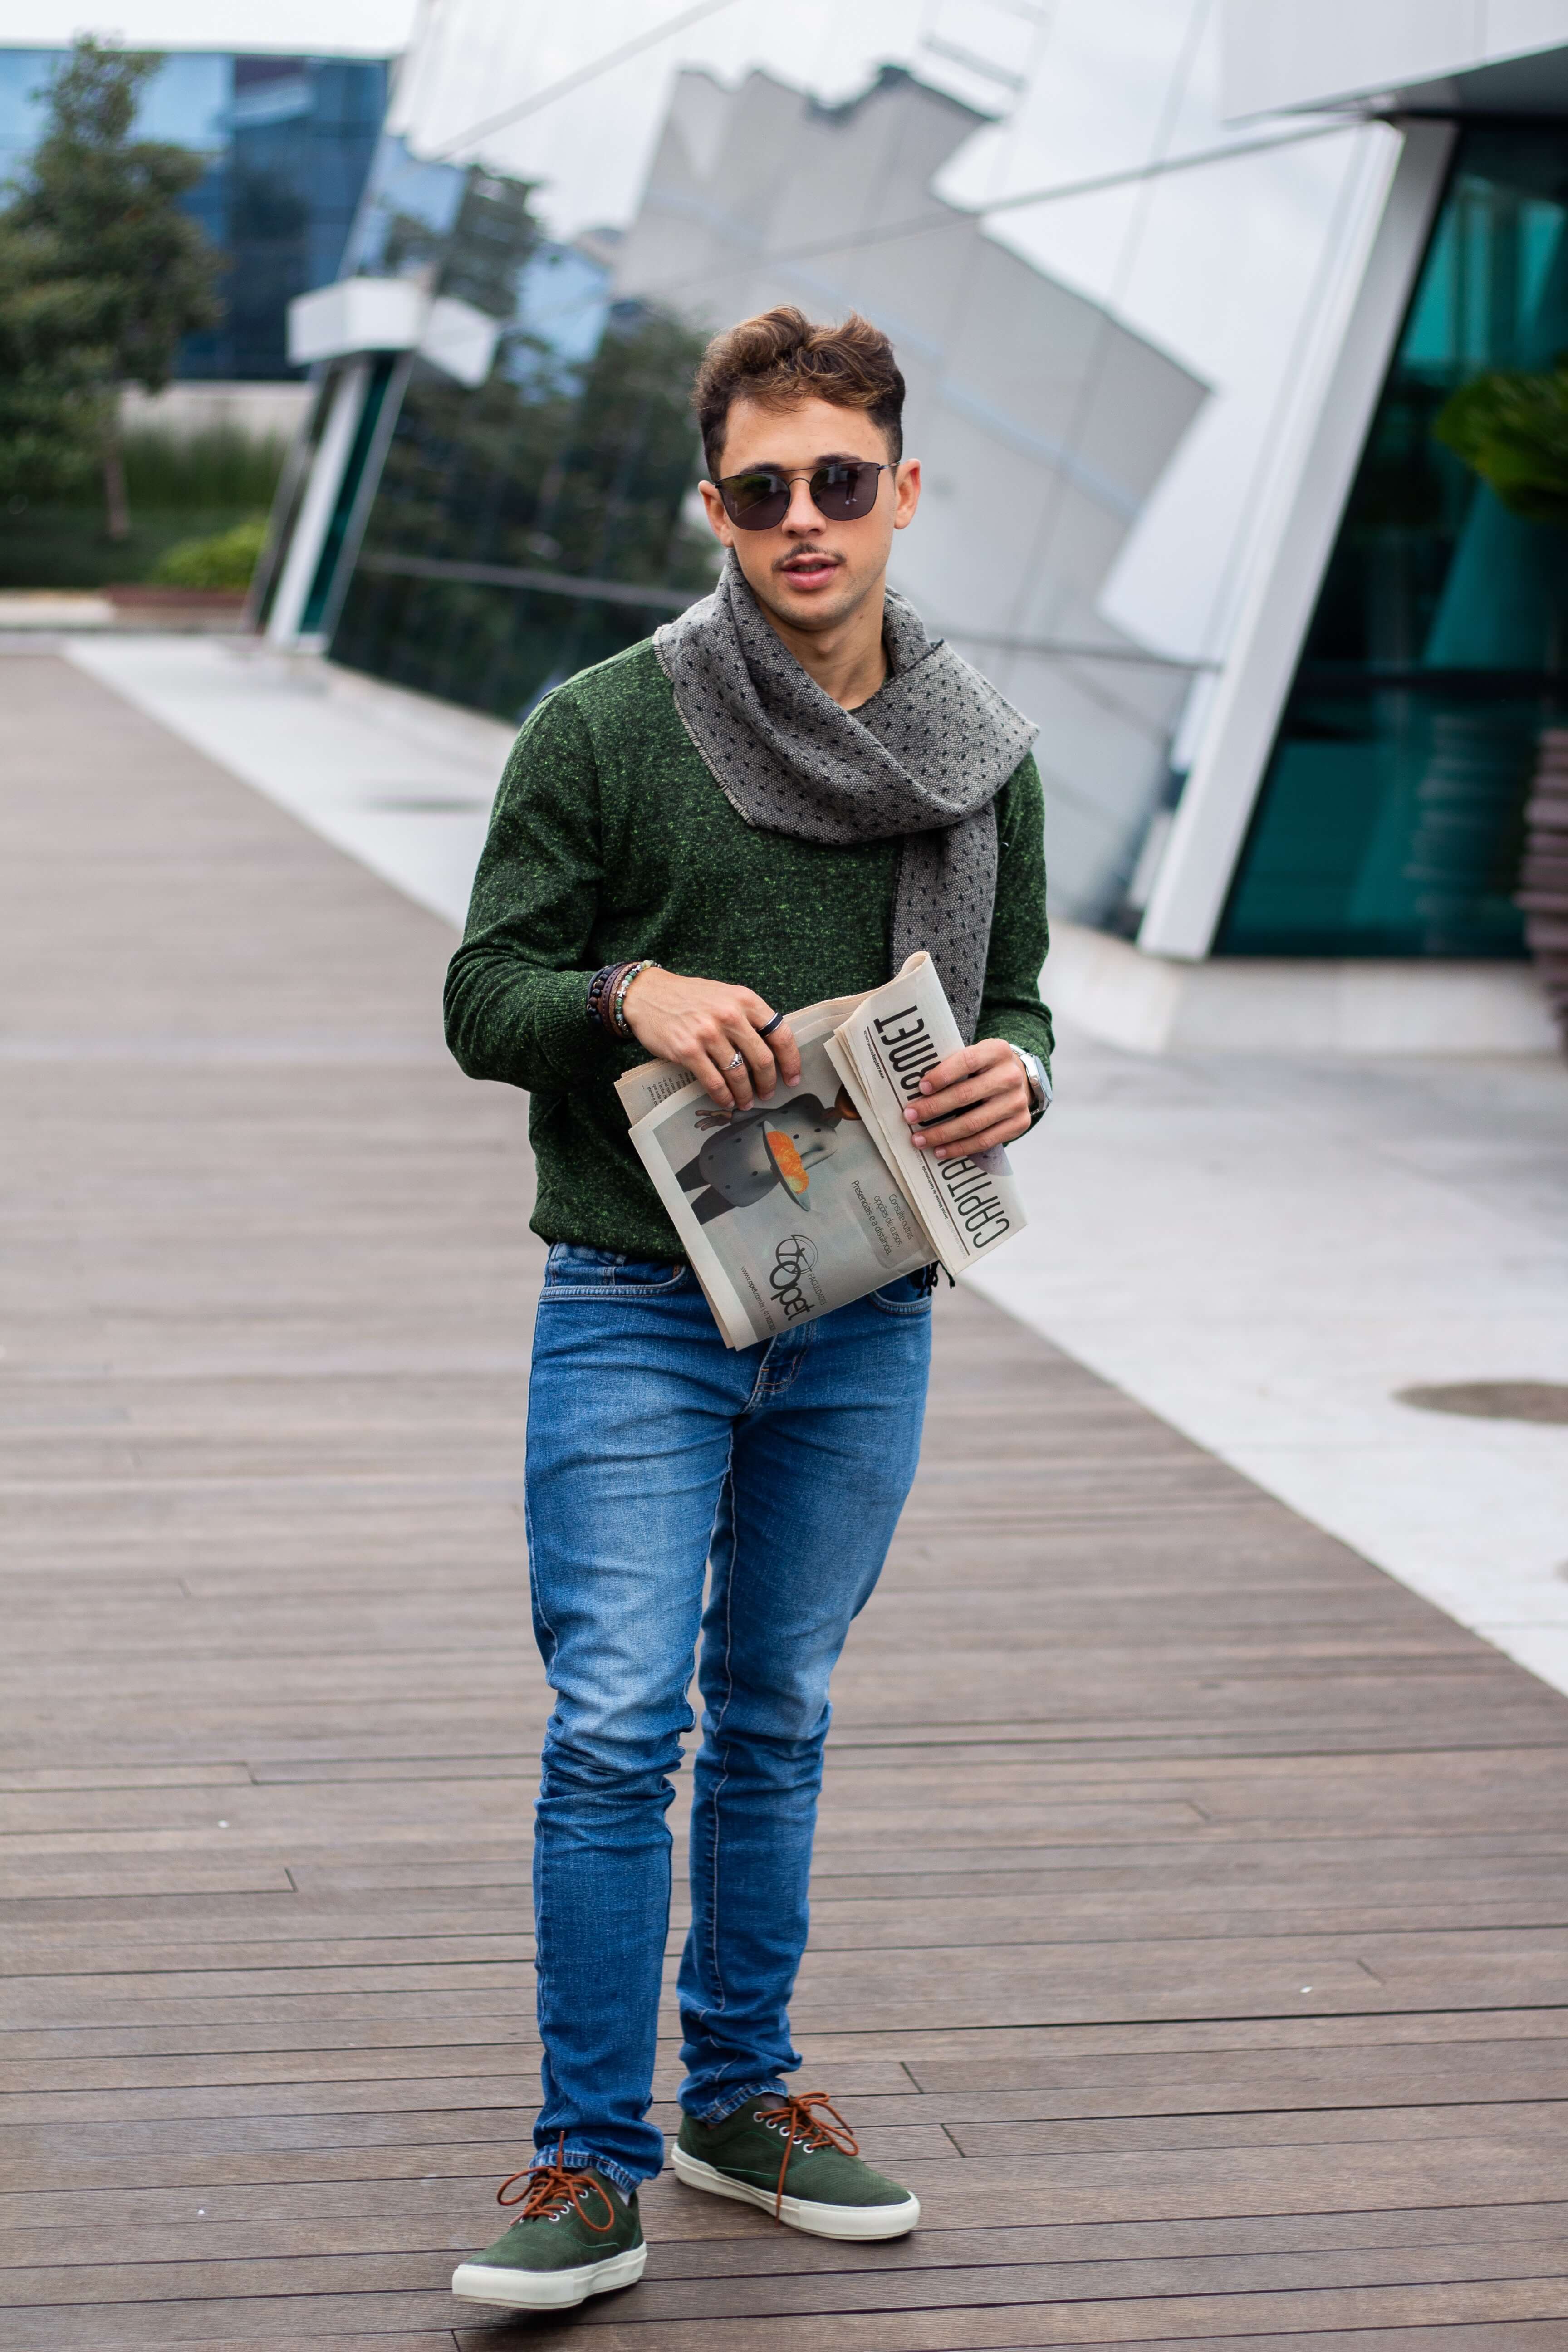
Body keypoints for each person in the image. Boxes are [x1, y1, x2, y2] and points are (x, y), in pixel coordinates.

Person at [444, 305, 1052, 2312]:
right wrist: (627, 994)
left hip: (867, 1296)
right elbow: (482, 999)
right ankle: (586, 2156)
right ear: (716, 505)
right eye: (765, 489)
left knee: (776, 1712)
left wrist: (1021, 1074)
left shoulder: (979, 756)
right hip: (634, 1293)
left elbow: (1023, 993)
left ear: (901, 490)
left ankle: (743, 2097)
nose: (807, 521)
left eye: (843, 483)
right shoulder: (605, 727)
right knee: (620, 1723)